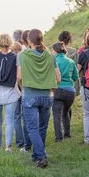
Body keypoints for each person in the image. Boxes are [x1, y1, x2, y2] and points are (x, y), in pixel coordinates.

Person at [17, 29, 60, 168]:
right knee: (42, 127)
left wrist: (23, 87)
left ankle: (41, 156)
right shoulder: (51, 56)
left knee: (32, 128)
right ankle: (36, 155)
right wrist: (50, 89)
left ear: (29, 41)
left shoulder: (22, 56)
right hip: (47, 96)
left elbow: (19, 77)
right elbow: (58, 78)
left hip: (30, 95)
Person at [51, 42, 78, 142]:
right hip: (70, 91)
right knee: (65, 113)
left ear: (55, 51)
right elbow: (75, 77)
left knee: (57, 115)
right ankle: (67, 134)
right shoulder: (71, 61)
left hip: (58, 89)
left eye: (52, 50)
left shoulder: (54, 61)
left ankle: (58, 137)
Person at [13, 30, 32, 152]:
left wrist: (20, 86)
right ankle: (28, 141)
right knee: (27, 117)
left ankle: (21, 142)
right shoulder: (30, 52)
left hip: (19, 88)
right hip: (29, 88)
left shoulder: (19, 55)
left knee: (17, 116)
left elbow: (18, 76)